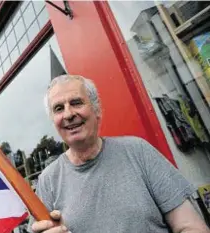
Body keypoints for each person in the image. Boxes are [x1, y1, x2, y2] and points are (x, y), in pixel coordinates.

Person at [29, 74, 210, 233]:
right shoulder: (48, 181)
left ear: (96, 109)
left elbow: (191, 226)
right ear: (54, 120)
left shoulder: (137, 151)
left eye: (76, 102)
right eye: (59, 108)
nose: (68, 114)